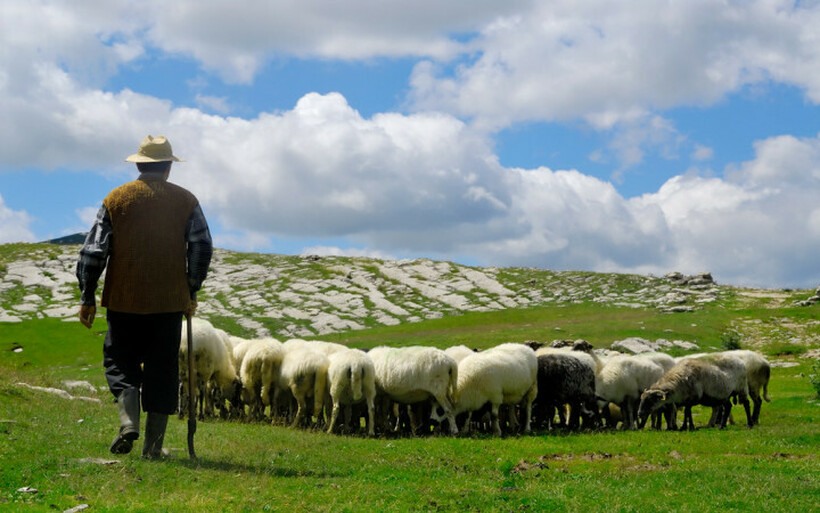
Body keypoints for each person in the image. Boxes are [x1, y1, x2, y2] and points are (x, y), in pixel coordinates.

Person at [76, 135, 213, 458]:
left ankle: (128, 422)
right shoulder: (186, 200)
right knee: (162, 368)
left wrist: (87, 295)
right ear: (168, 167)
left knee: (120, 362)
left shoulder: (117, 198)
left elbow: (94, 251)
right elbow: (201, 246)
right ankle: (153, 448)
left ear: (139, 164)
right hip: (168, 302)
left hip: (124, 299)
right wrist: (190, 289)